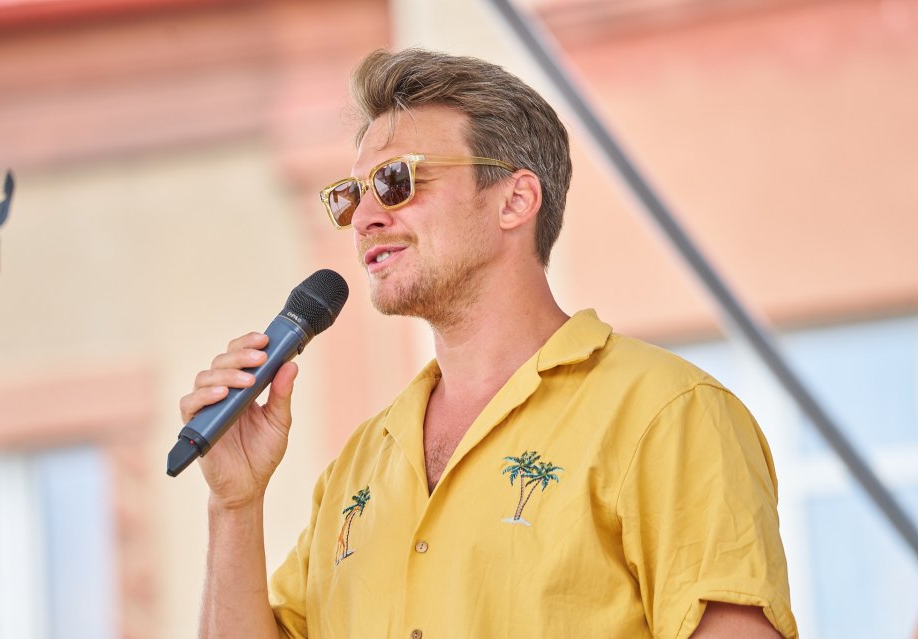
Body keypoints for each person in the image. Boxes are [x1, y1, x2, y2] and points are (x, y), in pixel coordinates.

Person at [180, 48, 799, 638]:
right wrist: (234, 504)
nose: (364, 218)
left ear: (515, 199)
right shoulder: (359, 465)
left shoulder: (669, 414)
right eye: (351, 195)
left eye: (395, 180)